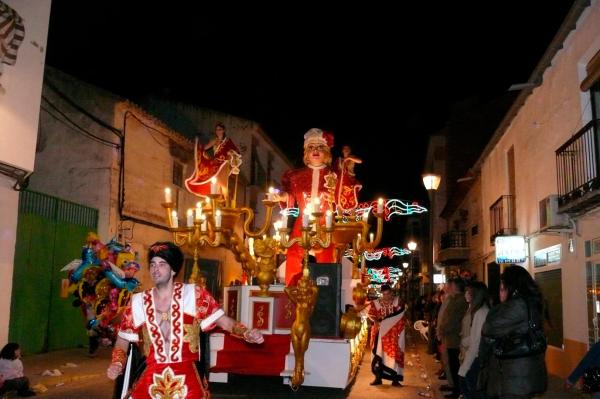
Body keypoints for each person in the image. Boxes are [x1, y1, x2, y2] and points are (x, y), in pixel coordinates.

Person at [106, 241, 264, 398]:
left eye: (162, 264)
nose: (155, 269)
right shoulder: (137, 301)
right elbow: (123, 340)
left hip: (189, 382)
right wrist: (117, 363)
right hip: (150, 380)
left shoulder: (194, 295)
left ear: (173, 269)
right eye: (153, 264)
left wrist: (246, 333)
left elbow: (224, 321)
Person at [273, 128, 337, 284]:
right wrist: (282, 196)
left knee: (326, 265)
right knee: (294, 259)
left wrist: (335, 199)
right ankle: (293, 297)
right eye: (311, 147)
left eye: (320, 147)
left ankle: (324, 299)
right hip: (301, 225)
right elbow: (291, 197)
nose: (315, 150)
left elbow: (343, 201)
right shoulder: (296, 176)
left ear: (327, 152)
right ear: (306, 153)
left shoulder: (335, 176)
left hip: (325, 226)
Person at [479, 265, 548, 399]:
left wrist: (497, 308)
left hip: (516, 377)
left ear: (511, 286)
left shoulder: (518, 305)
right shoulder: (531, 302)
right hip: (522, 374)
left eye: (502, 287)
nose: (500, 291)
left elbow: (489, 328)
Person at [185, 122, 241, 197]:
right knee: (213, 181)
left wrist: (230, 153)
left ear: (223, 130)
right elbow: (205, 148)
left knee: (223, 183)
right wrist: (198, 145)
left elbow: (236, 151)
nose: (218, 131)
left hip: (224, 163)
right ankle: (214, 200)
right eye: (216, 130)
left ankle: (225, 200)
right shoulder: (214, 140)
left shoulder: (228, 141)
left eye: (220, 129)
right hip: (215, 163)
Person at [367, 284, 405, 387]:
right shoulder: (376, 303)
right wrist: (376, 321)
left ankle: (395, 380)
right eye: (384, 294)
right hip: (379, 334)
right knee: (378, 355)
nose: (386, 296)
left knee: (394, 356)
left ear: (391, 292)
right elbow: (370, 314)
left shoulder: (397, 302)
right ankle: (378, 378)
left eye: (388, 293)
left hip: (393, 335)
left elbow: (401, 315)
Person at [458, 282, 490, 399]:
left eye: (468, 292)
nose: (465, 294)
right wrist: (463, 341)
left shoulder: (481, 312)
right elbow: (474, 336)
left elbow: (476, 342)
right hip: (475, 357)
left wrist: (464, 368)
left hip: (476, 359)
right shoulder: (477, 310)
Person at [438, 277, 468, 399]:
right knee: (450, 362)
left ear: (455, 287)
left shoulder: (460, 301)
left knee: (455, 364)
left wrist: (443, 329)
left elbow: (453, 319)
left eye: (450, 285)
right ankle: (453, 386)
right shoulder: (453, 299)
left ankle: (457, 390)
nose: (448, 287)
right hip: (448, 336)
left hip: (454, 337)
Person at [334, 144, 362, 213]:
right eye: (344, 148)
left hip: (350, 180)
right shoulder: (339, 160)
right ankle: (340, 218)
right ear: (342, 150)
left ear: (350, 150)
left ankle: (353, 217)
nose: (346, 150)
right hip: (341, 182)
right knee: (340, 199)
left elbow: (360, 161)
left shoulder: (352, 158)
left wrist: (349, 158)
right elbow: (334, 170)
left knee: (352, 198)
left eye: (348, 149)